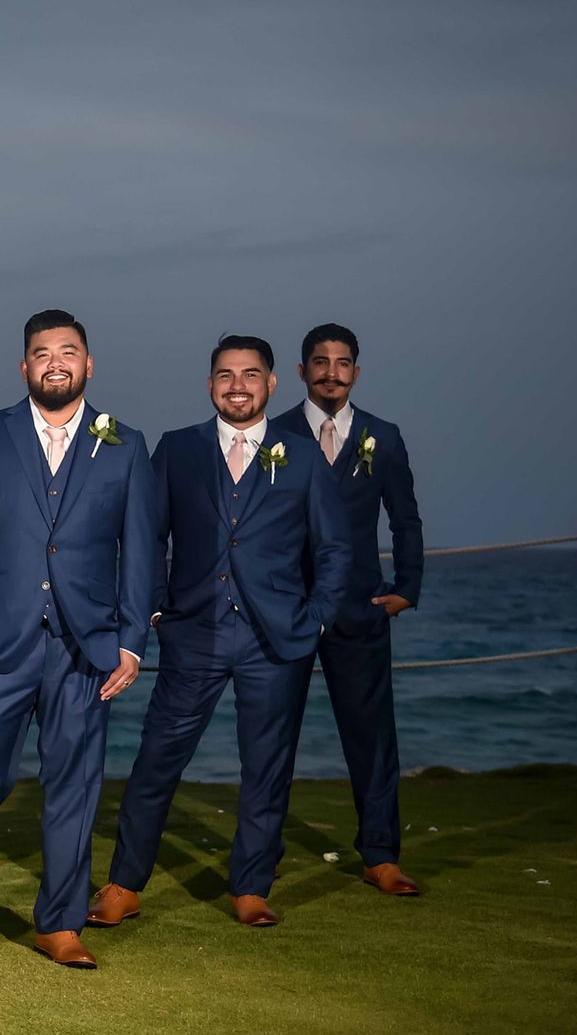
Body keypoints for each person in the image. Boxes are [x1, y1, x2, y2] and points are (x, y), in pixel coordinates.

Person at [0, 310, 156, 969]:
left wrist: (131, 641)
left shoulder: (125, 444)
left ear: (88, 364)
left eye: (68, 352)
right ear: (24, 367)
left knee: (74, 785)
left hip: (86, 648)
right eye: (42, 354)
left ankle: (61, 923)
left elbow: (143, 553)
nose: (55, 363)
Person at [91, 335, 350, 929]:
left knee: (266, 765)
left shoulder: (303, 455)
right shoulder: (177, 449)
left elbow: (335, 548)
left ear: (272, 383)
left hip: (276, 640)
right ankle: (124, 883)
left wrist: (315, 616)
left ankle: (252, 886)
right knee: (158, 759)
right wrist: (156, 606)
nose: (238, 385)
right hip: (193, 634)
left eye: (251, 375)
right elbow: (147, 535)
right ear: (210, 384)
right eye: (226, 375)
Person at [271, 323, 424, 896]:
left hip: (361, 606)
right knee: (272, 734)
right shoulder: (275, 432)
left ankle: (381, 855)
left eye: (342, 362)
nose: (331, 371)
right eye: (320, 361)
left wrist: (407, 586)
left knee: (372, 736)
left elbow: (405, 518)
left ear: (356, 371)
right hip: (287, 608)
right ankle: (264, 850)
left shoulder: (382, 436)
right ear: (303, 370)